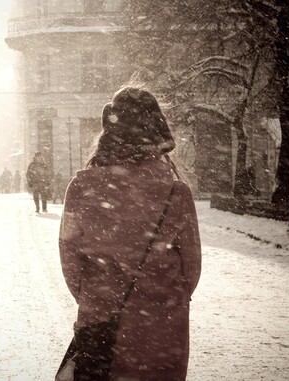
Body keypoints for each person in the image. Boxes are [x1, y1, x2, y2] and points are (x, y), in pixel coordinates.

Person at [58, 86, 201, 380]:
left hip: (100, 322)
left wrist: (97, 298)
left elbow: (69, 262)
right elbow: (192, 268)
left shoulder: (80, 189)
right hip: (163, 326)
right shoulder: (177, 193)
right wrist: (160, 299)